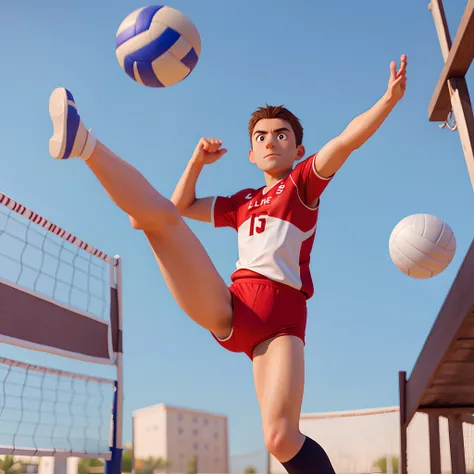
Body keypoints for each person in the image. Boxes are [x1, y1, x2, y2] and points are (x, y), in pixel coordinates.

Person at [48, 54, 407, 474]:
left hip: (280, 324)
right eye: (260, 136)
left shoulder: (302, 184)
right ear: (252, 154)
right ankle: (84, 143)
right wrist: (196, 162)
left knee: (280, 439)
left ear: (299, 148)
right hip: (230, 309)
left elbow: (346, 141)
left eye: (281, 134)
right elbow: (179, 206)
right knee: (156, 221)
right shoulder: (242, 201)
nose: (270, 140)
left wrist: (387, 100)